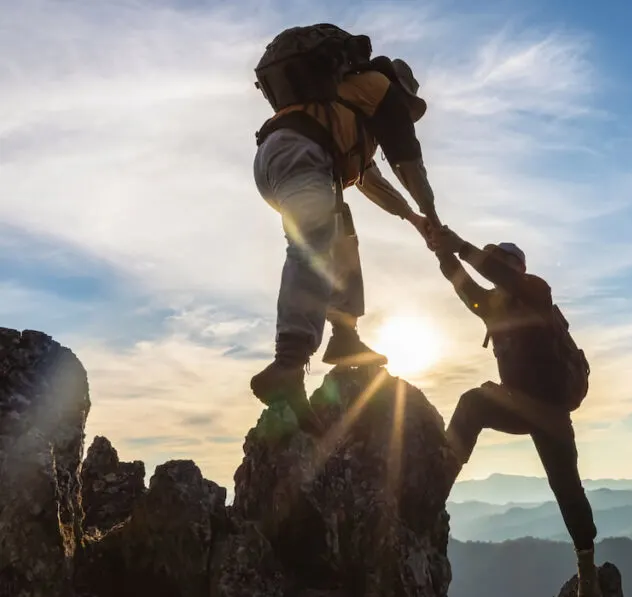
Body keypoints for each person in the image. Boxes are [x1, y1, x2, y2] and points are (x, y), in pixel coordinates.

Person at [250, 24, 442, 431]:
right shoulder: (379, 92)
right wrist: (435, 218)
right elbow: (408, 163)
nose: (408, 119)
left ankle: (344, 337)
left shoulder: (348, 111)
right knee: (314, 245)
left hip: (283, 160)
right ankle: (288, 364)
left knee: (343, 239)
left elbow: (372, 182)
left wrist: (413, 219)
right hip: (298, 154)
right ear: (403, 94)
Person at [431, 227, 601, 597]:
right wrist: (442, 252)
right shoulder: (492, 307)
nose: (495, 270)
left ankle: (587, 571)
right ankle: (436, 484)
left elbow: (494, 274)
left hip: (551, 413)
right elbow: (462, 283)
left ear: (518, 269)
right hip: (517, 404)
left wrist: (460, 246)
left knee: (567, 489)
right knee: (472, 403)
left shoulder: (536, 293)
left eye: (501, 263)